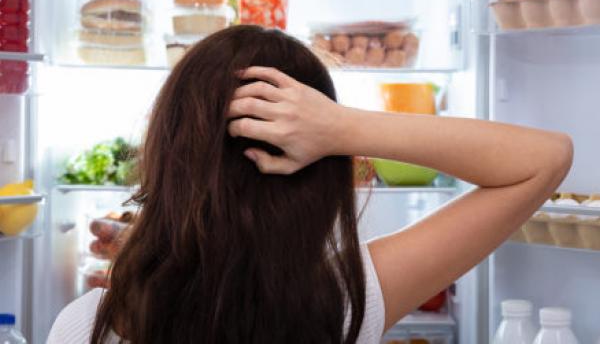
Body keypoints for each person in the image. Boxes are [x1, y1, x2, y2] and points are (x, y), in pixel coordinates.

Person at [47, 25, 573, 344]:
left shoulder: (87, 325)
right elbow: (545, 158)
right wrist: (342, 128)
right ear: (323, 174)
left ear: (167, 157)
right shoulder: (344, 303)